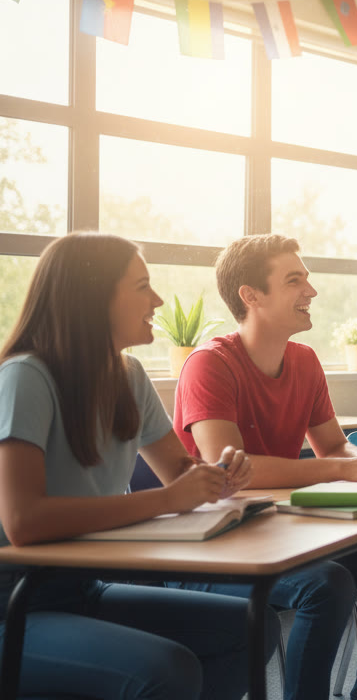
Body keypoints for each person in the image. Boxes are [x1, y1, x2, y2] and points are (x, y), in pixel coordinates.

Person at [0, 231, 277, 699]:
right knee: (167, 669)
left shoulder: (127, 374)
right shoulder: (26, 376)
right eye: (141, 286)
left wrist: (221, 478)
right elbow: (24, 522)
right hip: (17, 604)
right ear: (93, 297)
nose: (158, 298)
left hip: (84, 589)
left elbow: (180, 475)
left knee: (254, 627)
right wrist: (167, 500)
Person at [170, 234, 357, 700]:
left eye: (306, 277)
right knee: (326, 585)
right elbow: (229, 473)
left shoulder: (304, 361)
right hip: (213, 545)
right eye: (294, 280)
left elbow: (332, 448)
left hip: (281, 530)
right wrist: (346, 470)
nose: (312, 290)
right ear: (251, 296)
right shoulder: (209, 364)